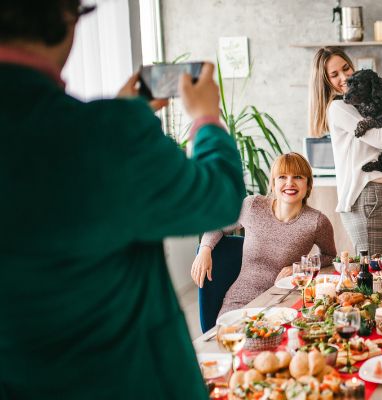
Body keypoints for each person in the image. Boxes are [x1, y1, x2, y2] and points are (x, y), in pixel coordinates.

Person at [0, 2, 246, 399]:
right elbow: (218, 199)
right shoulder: (104, 134)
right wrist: (205, 119)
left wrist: (127, 120)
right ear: (65, 16)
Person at [192, 152, 337, 315]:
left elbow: (330, 255)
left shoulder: (317, 221)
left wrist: (298, 267)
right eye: (282, 176)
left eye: (298, 177)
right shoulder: (253, 206)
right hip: (240, 303)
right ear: (273, 183)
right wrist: (205, 249)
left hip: (283, 303)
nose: (290, 183)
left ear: (308, 184)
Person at [308, 46, 382, 255]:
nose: (344, 76)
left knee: (375, 270)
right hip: (369, 195)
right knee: (377, 272)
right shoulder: (340, 107)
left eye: (346, 68)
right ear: (325, 82)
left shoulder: (360, 104)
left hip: (374, 194)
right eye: (334, 74)